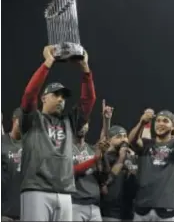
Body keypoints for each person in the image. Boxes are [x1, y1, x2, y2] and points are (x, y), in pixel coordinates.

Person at [19, 45, 96, 221]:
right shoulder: (32, 119)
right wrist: (48, 62)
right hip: (36, 189)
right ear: (44, 98)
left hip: (65, 191)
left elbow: (88, 101)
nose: (61, 99)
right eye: (56, 95)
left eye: (63, 97)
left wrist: (85, 69)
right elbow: (30, 93)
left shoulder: (69, 121)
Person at [100, 124, 137, 222]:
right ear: (109, 140)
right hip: (110, 212)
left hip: (129, 212)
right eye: (118, 137)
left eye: (125, 136)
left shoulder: (131, 157)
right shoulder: (105, 157)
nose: (124, 139)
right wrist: (121, 158)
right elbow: (106, 181)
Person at [72, 121, 103, 222]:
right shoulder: (65, 149)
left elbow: (104, 141)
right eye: (79, 123)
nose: (81, 126)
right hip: (75, 203)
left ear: (88, 126)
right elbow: (70, 172)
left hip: (94, 205)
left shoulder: (92, 149)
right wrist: (93, 160)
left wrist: (106, 119)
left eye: (84, 123)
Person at [1, 108, 23, 221]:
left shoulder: (30, 145)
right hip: (4, 212)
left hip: (25, 211)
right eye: (21, 120)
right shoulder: (2, 142)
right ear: (14, 120)